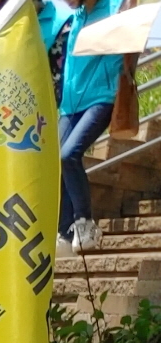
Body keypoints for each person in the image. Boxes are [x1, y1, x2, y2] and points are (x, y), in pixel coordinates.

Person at [58, 0, 121, 252]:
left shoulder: (116, 7)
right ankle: (64, 232)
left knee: (69, 154)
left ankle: (84, 222)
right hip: (71, 104)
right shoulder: (78, 16)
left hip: (101, 96)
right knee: (58, 162)